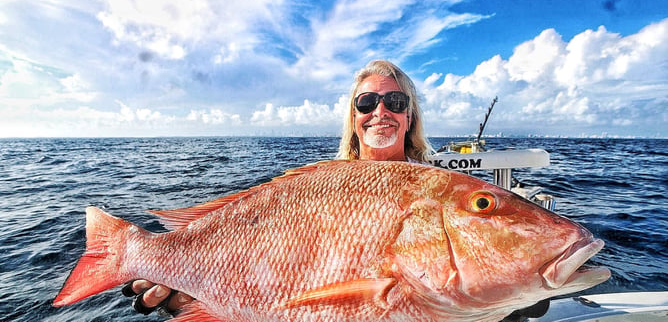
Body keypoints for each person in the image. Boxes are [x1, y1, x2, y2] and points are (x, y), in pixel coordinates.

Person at [123, 59, 546, 320]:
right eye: (366, 103)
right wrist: (183, 297)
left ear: (411, 116)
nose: (381, 111)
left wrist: (518, 292)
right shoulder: (319, 186)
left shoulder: (438, 187)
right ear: (353, 117)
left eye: (396, 103)